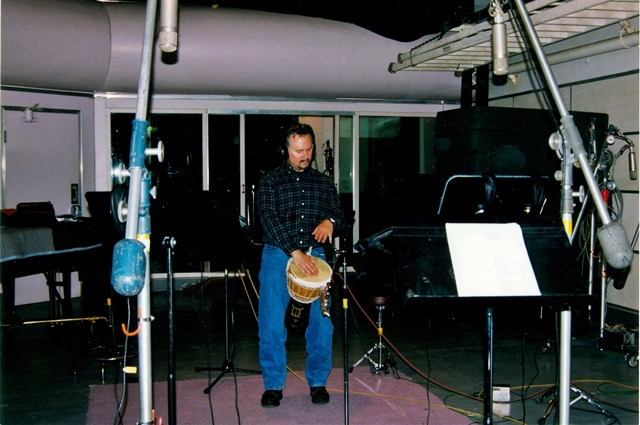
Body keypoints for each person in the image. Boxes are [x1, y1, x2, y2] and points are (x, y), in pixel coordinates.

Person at [256, 123, 346, 408]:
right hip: (277, 255)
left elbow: (341, 215)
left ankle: (318, 382)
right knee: (271, 324)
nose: (305, 156)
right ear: (286, 150)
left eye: (308, 149)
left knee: (322, 324)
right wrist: (294, 253)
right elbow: (268, 219)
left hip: (315, 255)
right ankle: (273, 386)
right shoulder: (270, 181)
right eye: (298, 151)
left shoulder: (323, 183)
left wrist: (330, 221)